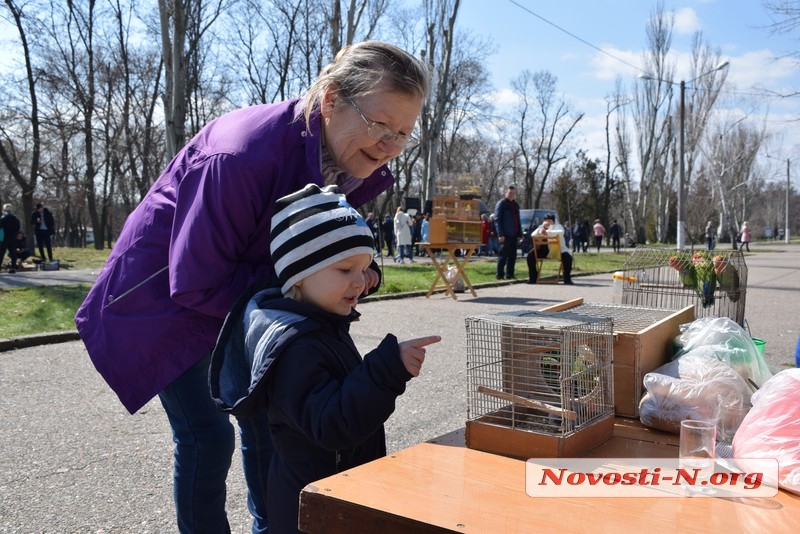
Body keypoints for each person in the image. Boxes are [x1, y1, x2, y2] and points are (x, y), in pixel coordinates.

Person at [74, 40, 430, 533]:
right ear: (330, 100)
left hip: (243, 304)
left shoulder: (343, 159)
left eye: (403, 133)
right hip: (165, 307)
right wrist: (294, 307)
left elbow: (315, 251)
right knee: (205, 436)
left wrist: (355, 272)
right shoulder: (239, 154)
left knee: (269, 425)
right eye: (380, 125)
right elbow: (196, 281)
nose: (390, 145)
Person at [209, 184, 441, 534]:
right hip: (311, 511)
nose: (361, 282)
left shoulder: (324, 327)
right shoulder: (294, 349)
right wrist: (385, 370)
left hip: (336, 495)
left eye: (364, 269)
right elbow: (332, 425)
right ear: (299, 276)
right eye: (346, 270)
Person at [525, 213, 574, 285]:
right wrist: (540, 231)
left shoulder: (558, 226)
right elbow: (533, 234)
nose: (547, 222)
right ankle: (533, 278)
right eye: (546, 220)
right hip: (544, 251)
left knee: (568, 258)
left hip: (558, 251)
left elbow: (560, 232)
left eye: (549, 220)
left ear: (553, 221)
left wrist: (546, 232)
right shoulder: (541, 227)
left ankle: (567, 279)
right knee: (530, 256)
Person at [494, 185, 521, 280]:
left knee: (513, 256)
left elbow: (518, 220)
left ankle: (510, 274)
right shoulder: (501, 204)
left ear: (515, 195)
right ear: (506, 193)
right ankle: (500, 275)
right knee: (503, 256)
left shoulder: (516, 205)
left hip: (514, 234)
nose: (511, 195)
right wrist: (500, 234)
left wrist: (520, 234)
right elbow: (497, 220)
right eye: (509, 193)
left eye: (513, 193)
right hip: (504, 235)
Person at [1, 204, 22, 273]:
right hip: (13, 237)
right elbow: (18, 227)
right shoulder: (15, 218)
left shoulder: (3, 217)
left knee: (1, 253)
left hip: (4, 237)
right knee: (13, 253)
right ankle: (13, 267)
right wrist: (15, 233)